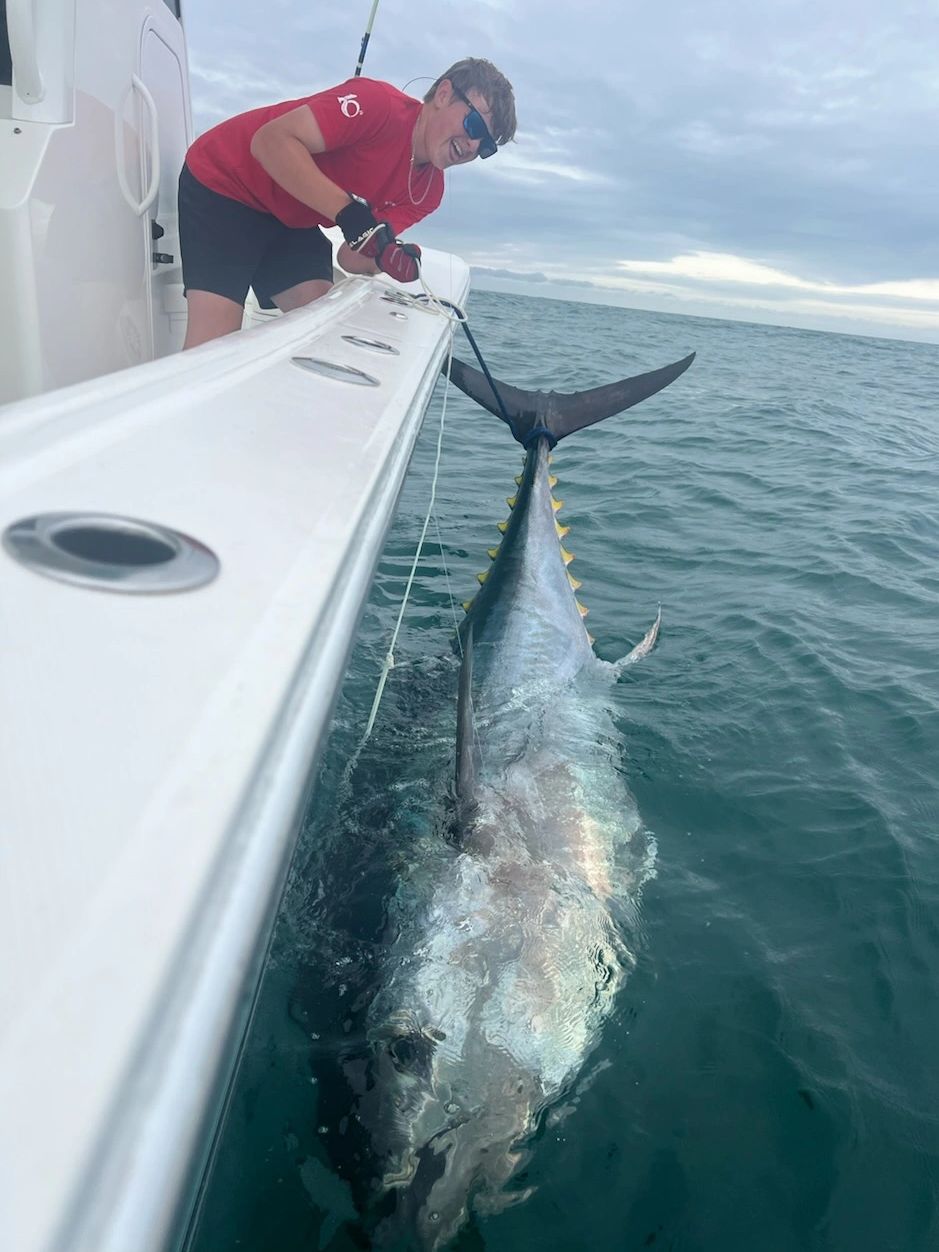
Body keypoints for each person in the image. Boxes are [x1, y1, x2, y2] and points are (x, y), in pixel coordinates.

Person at [178, 57, 516, 348]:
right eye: (473, 126)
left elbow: (351, 257)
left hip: (291, 218)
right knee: (212, 346)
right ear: (443, 94)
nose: (472, 146)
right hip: (227, 182)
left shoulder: (429, 192)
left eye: (485, 145)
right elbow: (269, 141)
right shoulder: (378, 104)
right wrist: (347, 211)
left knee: (326, 328)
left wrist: (384, 256)